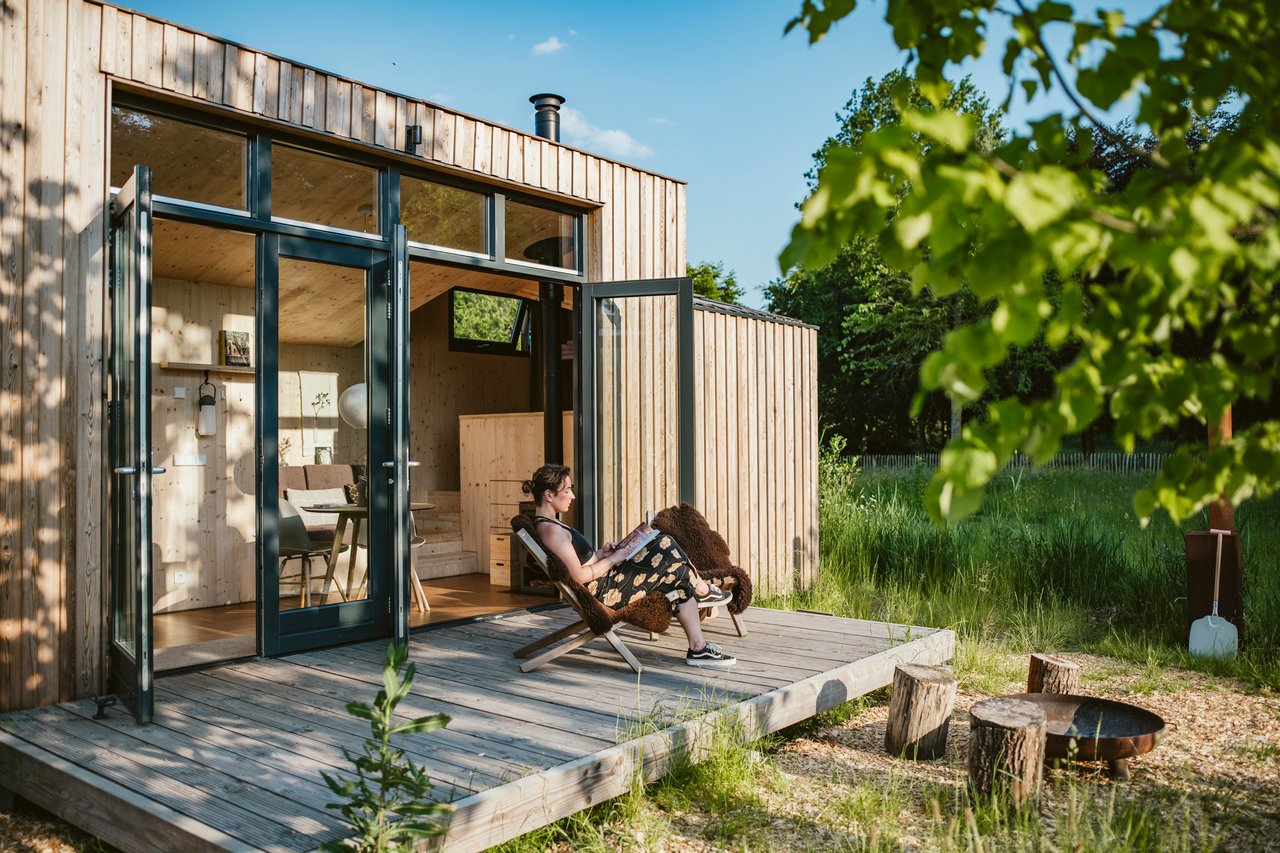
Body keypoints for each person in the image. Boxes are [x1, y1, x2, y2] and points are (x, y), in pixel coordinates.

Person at [524, 463, 736, 667]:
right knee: (664, 542)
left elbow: (579, 561)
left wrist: (602, 553)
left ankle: (698, 647)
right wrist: (612, 560)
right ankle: (703, 591)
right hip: (605, 592)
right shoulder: (551, 531)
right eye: (567, 491)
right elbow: (578, 576)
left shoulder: (553, 525)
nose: (572, 496)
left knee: (677, 568)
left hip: (606, 581)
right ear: (549, 495)